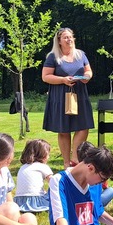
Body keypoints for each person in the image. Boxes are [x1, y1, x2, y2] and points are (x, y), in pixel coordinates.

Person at [42, 27, 95, 168]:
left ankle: (75, 159)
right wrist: (63, 80)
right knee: (64, 129)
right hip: (60, 96)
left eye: (70, 37)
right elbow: (45, 76)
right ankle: (66, 163)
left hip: (80, 94)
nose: (69, 39)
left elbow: (88, 71)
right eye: (65, 37)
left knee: (83, 126)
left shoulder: (81, 54)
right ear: (59, 41)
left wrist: (86, 77)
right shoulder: (53, 56)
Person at [14, 139, 53, 213]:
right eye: (48, 154)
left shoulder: (23, 167)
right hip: (36, 201)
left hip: (20, 201)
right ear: (44, 155)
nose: (49, 157)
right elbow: (54, 182)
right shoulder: (43, 166)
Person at [77, 141, 113, 208]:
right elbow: (105, 187)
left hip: (86, 205)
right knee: (111, 190)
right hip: (93, 204)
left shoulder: (76, 171)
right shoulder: (97, 173)